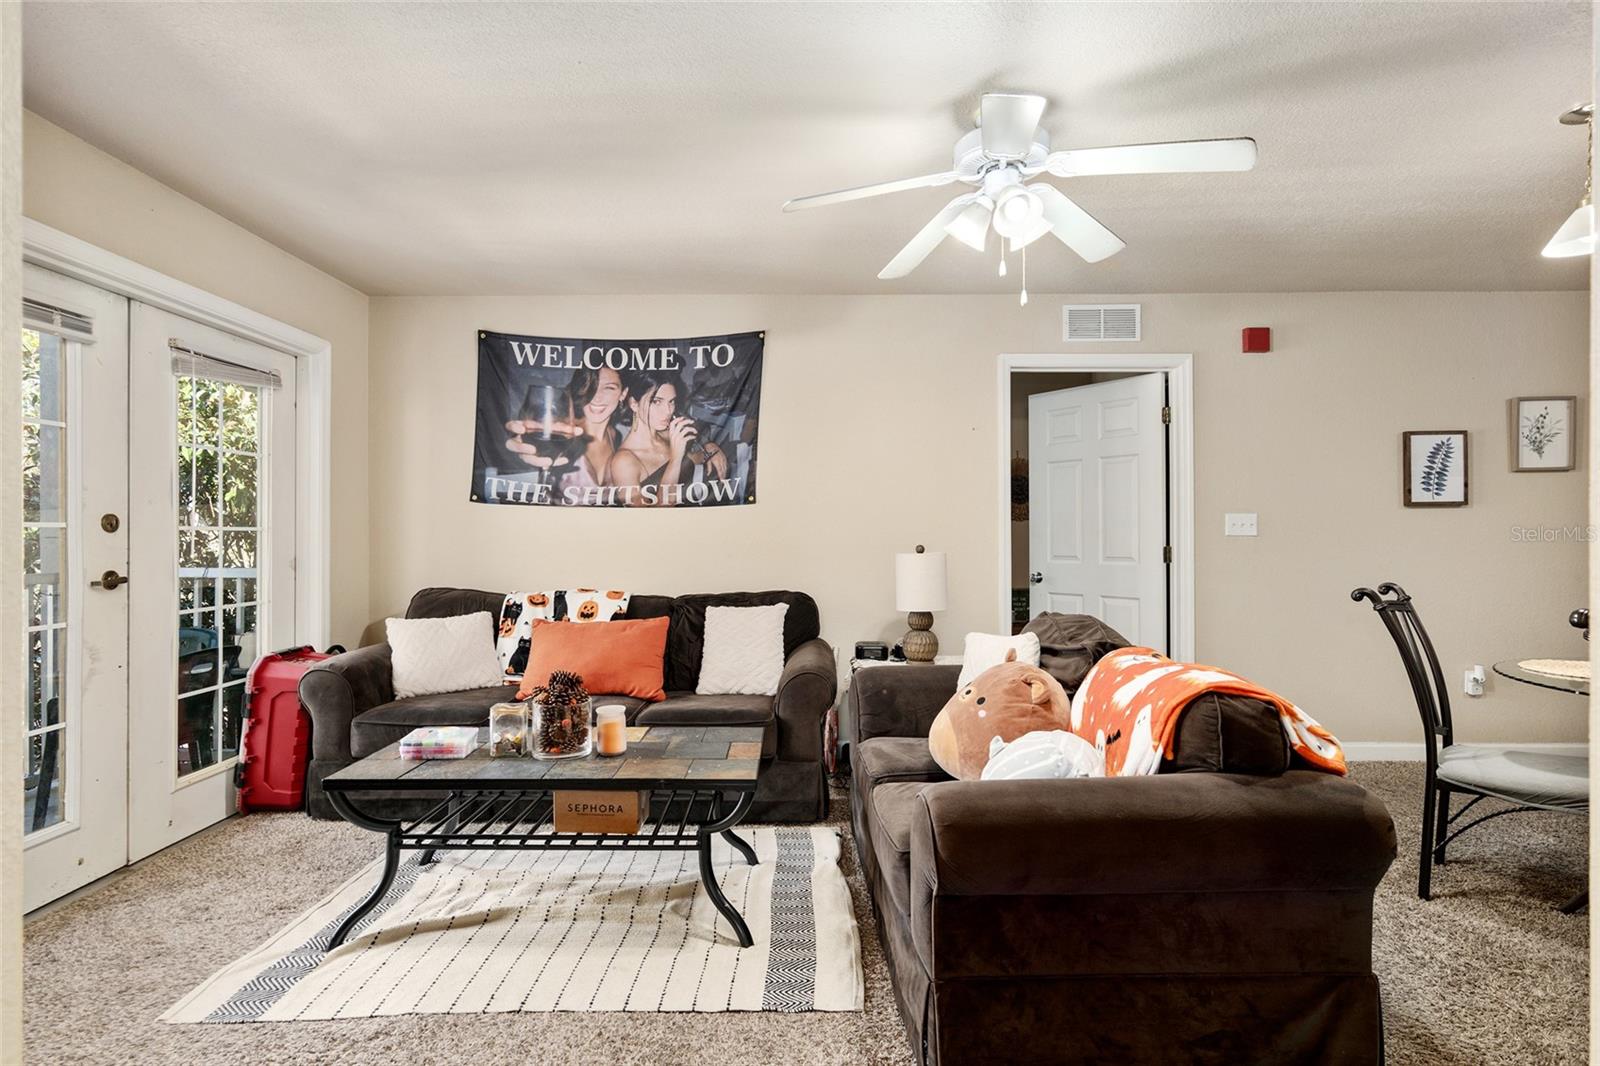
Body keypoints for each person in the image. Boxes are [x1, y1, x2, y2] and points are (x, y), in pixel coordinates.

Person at [606, 367, 729, 507]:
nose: (668, 411)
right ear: (634, 403)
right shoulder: (623, 462)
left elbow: (691, 460)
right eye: (656, 401)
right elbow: (646, 517)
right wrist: (675, 459)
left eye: (671, 401)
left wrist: (709, 449)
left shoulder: (667, 434)